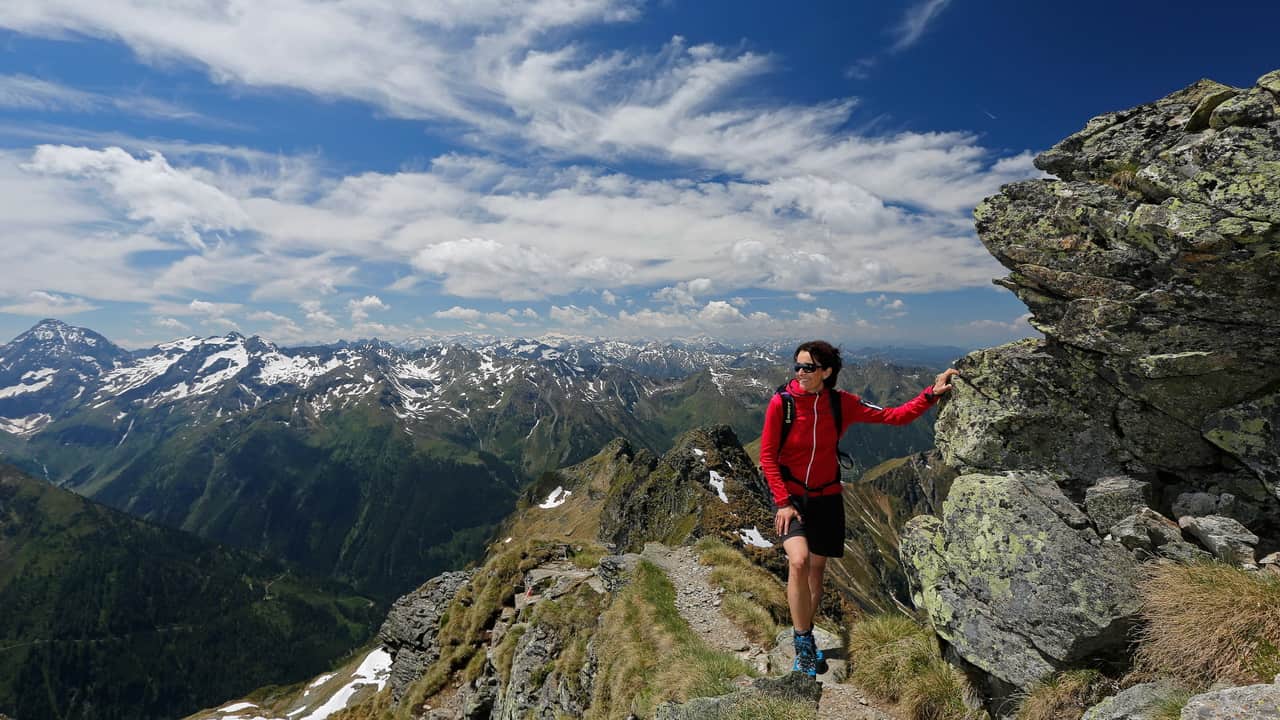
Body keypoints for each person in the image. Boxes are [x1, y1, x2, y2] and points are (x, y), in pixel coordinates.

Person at [759, 340, 958, 677]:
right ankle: (803, 643)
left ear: (827, 371)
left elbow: (893, 417)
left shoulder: (840, 404)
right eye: (797, 366)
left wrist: (931, 394)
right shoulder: (783, 403)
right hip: (793, 502)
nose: (799, 373)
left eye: (807, 367)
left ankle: (806, 630)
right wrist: (783, 502)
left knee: (817, 574)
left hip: (827, 498)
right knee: (799, 561)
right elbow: (767, 456)